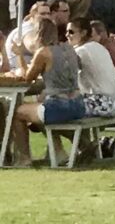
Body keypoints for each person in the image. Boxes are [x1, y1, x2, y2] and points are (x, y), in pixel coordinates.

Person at [6, 16, 91, 164]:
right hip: (78, 104)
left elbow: (27, 78)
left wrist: (19, 54)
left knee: (17, 112)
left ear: (38, 34)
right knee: (38, 106)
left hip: (59, 105)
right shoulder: (69, 49)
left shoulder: (43, 53)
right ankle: (58, 151)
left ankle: (23, 158)